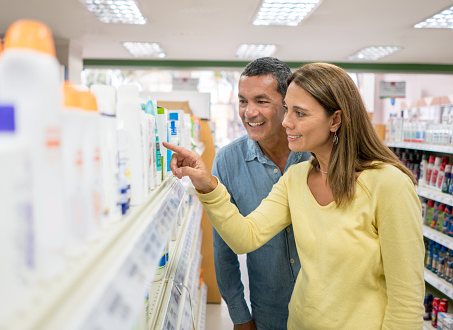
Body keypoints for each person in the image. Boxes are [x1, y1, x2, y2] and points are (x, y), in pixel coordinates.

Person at [163, 62, 425, 329]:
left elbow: (406, 300)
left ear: (335, 120)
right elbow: (245, 237)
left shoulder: (389, 185)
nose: (286, 122)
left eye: (299, 113)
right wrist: (208, 185)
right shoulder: (297, 178)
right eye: (288, 109)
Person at [211, 57, 310, 330]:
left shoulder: (317, 155)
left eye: (261, 101)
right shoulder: (228, 161)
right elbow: (224, 249)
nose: (249, 112)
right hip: (269, 308)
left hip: (323, 310)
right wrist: (239, 315)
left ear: (287, 103)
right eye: (243, 101)